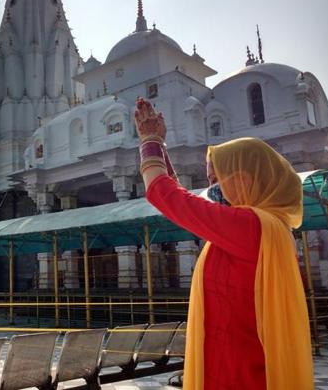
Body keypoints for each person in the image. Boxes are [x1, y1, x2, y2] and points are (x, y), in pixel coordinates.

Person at [134, 98, 313, 389]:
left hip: (237, 369)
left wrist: (149, 141)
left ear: (247, 181)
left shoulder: (251, 227)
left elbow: (167, 195)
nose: (213, 190)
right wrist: (162, 148)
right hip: (240, 360)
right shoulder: (266, 228)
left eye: (219, 181)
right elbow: (190, 202)